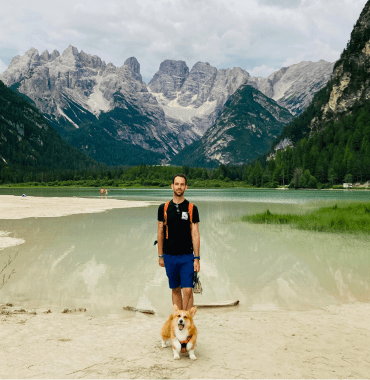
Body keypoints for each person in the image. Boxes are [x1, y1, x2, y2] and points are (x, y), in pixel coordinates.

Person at [157, 174, 200, 311]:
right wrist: (160, 256)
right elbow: (160, 232)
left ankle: (187, 321)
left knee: (187, 290)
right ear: (172, 186)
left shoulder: (192, 208)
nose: (179, 187)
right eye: (177, 184)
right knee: (175, 289)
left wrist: (197, 258)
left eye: (182, 184)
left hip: (187, 256)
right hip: (169, 256)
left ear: (186, 187)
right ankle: (179, 319)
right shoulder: (163, 208)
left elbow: (195, 233)